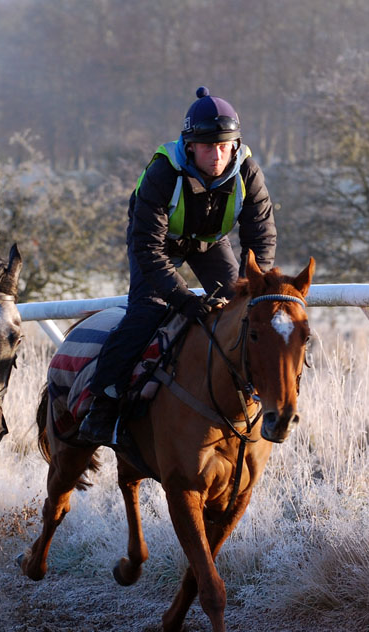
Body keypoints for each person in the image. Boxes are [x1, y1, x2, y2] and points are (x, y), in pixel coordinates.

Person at [78, 86, 277, 444]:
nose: (217, 155)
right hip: (157, 245)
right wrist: (182, 298)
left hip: (209, 242)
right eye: (207, 147)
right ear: (189, 146)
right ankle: (102, 405)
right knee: (148, 312)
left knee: (242, 310)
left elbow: (260, 239)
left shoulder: (248, 172)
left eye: (224, 146)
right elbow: (148, 249)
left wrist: (253, 287)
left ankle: (251, 396)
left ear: (236, 145)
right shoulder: (162, 172)